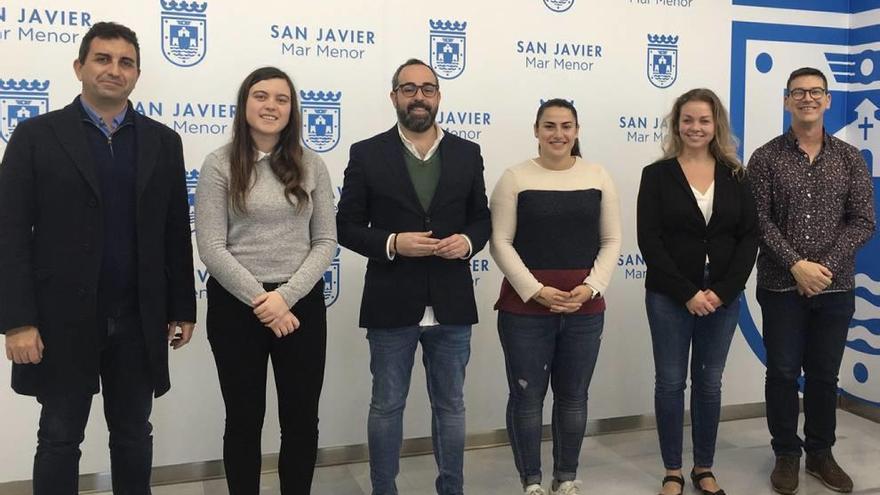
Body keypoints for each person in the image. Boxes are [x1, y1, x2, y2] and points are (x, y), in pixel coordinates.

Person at [0, 22, 196, 494]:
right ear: (79, 67)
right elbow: (9, 233)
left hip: (137, 319)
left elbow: (174, 232)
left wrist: (182, 308)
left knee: (133, 435)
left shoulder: (162, 142)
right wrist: (17, 321)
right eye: (103, 59)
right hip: (60, 320)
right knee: (60, 438)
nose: (114, 69)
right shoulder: (35, 136)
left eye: (125, 62)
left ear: (137, 73)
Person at [336, 58, 491, 495]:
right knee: (386, 406)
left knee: (451, 407)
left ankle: (451, 489)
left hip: (452, 302)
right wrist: (391, 243)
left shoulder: (466, 152)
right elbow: (344, 225)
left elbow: (482, 220)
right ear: (394, 97)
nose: (418, 96)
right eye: (408, 88)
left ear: (439, 97)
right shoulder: (366, 153)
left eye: (427, 88)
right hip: (391, 300)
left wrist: (468, 241)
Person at [195, 66, 337, 494]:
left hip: (300, 307)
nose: (271, 106)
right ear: (244, 105)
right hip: (237, 307)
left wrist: (286, 298)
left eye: (281, 98)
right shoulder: (218, 164)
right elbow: (211, 247)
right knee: (243, 418)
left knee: (301, 420)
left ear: (292, 110)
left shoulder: (313, 164)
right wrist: (263, 300)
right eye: (261, 96)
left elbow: (326, 240)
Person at [747, 67, 875, 495]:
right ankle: (786, 453)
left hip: (835, 289)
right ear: (786, 100)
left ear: (827, 100)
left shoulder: (849, 158)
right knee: (782, 373)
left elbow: (863, 221)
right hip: (780, 286)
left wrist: (823, 268)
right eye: (798, 92)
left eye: (815, 92)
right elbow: (758, 221)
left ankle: (821, 453)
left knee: (824, 375)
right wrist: (797, 265)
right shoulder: (765, 158)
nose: (807, 98)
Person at [489, 99, 621, 495]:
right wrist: (536, 291)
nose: (558, 134)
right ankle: (530, 481)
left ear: (577, 131)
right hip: (525, 311)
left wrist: (591, 287)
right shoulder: (514, 178)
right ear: (536, 130)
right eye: (549, 126)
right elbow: (500, 242)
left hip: (585, 308)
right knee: (527, 399)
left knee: (573, 397)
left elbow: (612, 241)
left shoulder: (598, 176)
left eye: (566, 126)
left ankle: (566, 478)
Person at [637, 88, 758, 495]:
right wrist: (688, 292)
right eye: (687, 120)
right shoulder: (656, 175)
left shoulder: (737, 175)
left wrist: (722, 292)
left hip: (722, 298)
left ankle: (703, 467)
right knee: (670, 383)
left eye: (704, 120)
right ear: (676, 125)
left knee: (709, 383)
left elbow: (748, 239)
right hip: (670, 296)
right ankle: (673, 469)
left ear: (716, 125)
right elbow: (649, 240)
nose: (695, 127)